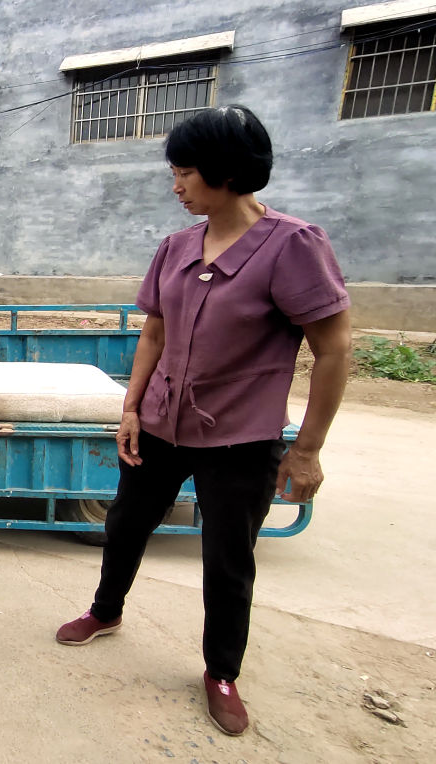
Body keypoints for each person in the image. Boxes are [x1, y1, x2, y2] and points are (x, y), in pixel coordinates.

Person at [54, 105, 351, 736]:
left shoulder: (294, 245)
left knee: (226, 557)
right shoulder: (177, 247)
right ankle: (105, 612)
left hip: (240, 436)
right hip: (162, 422)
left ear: (228, 173)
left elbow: (333, 350)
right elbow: (154, 332)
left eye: (185, 172)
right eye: (175, 172)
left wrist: (307, 450)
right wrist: (131, 408)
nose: (176, 186)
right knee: (125, 524)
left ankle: (221, 672)